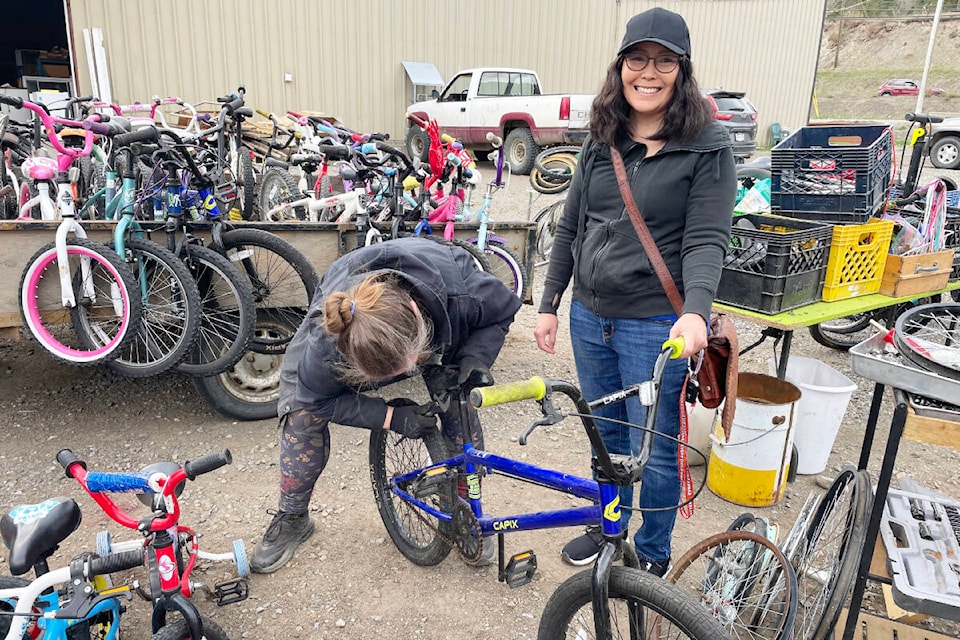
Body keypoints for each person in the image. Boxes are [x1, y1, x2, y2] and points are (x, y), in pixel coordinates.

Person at [533, 7, 736, 576]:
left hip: (655, 324)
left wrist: (696, 313)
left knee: (658, 446)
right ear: (621, 65)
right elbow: (571, 225)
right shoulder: (603, 138)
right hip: (590, 316)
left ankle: (651, 551)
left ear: (682, 69)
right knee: (607, 438)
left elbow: (706, 240)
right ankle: (609, 532)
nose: (649, 73)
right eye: (638, 59)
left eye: (664, 61)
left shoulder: (707, 146)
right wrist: (549, 303)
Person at [252, 237, 522, 574]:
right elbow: (317, 400)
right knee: (302, 416)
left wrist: (475, 358)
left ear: (414, 312)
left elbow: (505, 310)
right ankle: (292, 517)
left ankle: (466, 509)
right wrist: (390, 417)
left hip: (440, 308)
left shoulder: (466, 292)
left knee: (459, 399)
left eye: (411, 365)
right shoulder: (326, 343)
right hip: (358, 326)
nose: (408, 375)